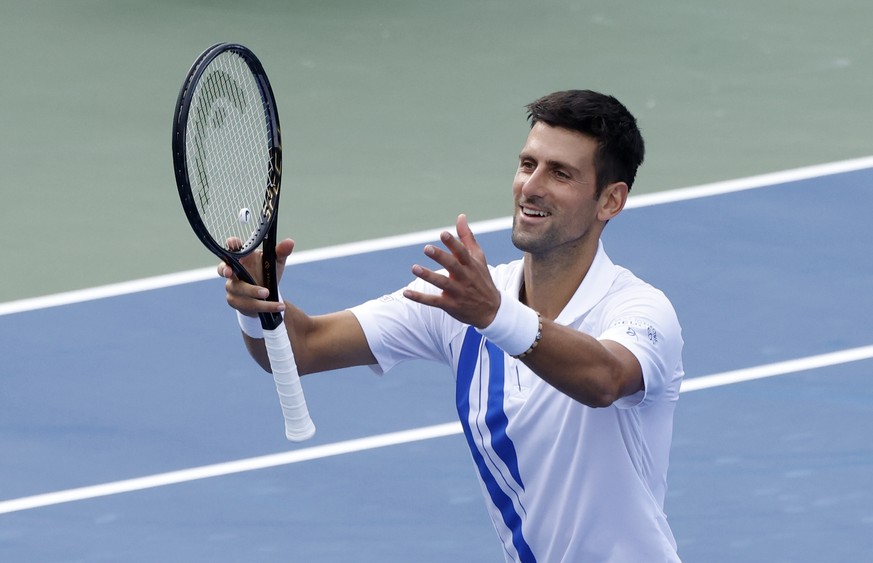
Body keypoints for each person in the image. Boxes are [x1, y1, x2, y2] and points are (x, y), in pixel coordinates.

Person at [220, 90, 684, 562]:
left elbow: (604, 379)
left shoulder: (640, 309)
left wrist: (494, 315)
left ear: (610, 200)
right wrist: (258, 304)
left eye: (560, 173)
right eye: (528, 165)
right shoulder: (462, 299)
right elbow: (303, 347)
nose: (532, 186)